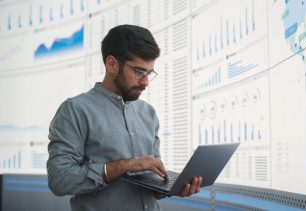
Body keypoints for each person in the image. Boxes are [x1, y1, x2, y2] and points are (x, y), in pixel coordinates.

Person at [46, 24, 202, 211]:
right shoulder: (75, 110)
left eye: (149, 73)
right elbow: (59, 179)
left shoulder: (149, 113)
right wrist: (124, 166)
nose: (145, 82)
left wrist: (172, 188)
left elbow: (152, 180)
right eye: (139, 71)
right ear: (112, 64)